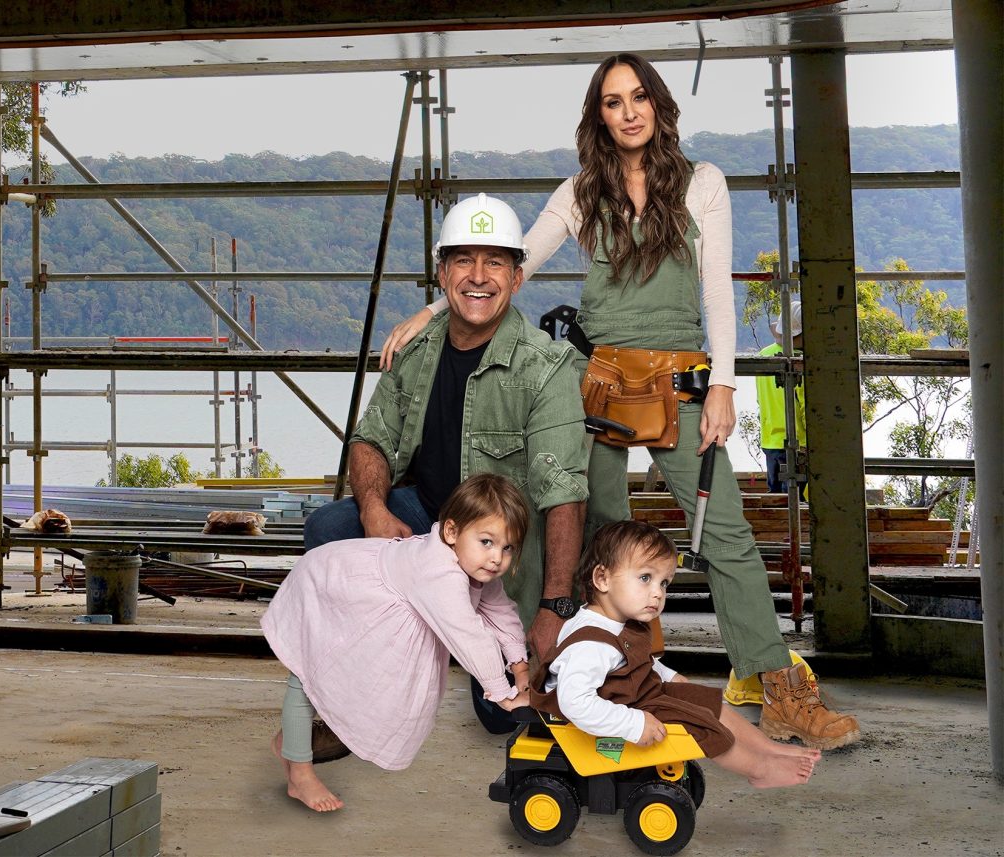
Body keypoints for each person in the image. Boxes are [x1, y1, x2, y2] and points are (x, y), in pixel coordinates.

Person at [378, 54, 859, 749]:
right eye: (612, 101)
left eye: (638, 97)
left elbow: (718, 291)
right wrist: (432, 311)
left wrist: (723, 384)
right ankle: (603, 678)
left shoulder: (704, 183)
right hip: (596, 383)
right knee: (598, 539)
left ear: (658, 106)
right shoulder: (578, 193)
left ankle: (777, 688)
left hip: (681, 381)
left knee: (726, 537)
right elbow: (515, 263)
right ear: (598, 115)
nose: (628, 111)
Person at [304, 193, 590, 732]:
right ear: (442, 273)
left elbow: (565, 494)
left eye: (495, 262)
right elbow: (369, 441)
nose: (478, 276)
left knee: (504, 715)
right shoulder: (417, 351)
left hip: (501, 557)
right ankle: (380, 667)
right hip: (430, 529)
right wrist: (371, 510)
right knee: (330, 530)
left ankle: (461, 627)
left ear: (517, 277)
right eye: (463, 260)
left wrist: (555, 605)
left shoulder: (546, 368)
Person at [262, 474, 534, 812]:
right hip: (329, 587)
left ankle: (292, 741)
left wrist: (521, 670)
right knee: (308, 674)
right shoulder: (438, 571)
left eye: (507, 548)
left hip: (371, 615)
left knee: (347, 681)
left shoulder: (476, 565)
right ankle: (299, 774)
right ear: (451, 532)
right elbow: (468, 634)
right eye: (487, 542)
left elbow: (501, 612)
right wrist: (502, 692)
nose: (497, 558)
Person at [530, 521, 821, 789]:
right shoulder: (590, 644)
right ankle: (758, 770)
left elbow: (636, 660)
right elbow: (574, 702)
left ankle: (767, 747)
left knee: (710, 703)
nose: (657, 593)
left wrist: (669, 676)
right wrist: (634, 723)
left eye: (663, 583)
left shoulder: (619, 620)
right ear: (602, 578)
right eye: (645, 578)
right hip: (616, 709)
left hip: (633, 693)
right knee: (699, 724)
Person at [755, 301, 807, 494]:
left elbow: (761, 400)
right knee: (796, 503)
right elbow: (806, 409)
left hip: (770, 441)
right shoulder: (800, 363)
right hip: (797, 445)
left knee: (776, 502)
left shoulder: (763, 355)